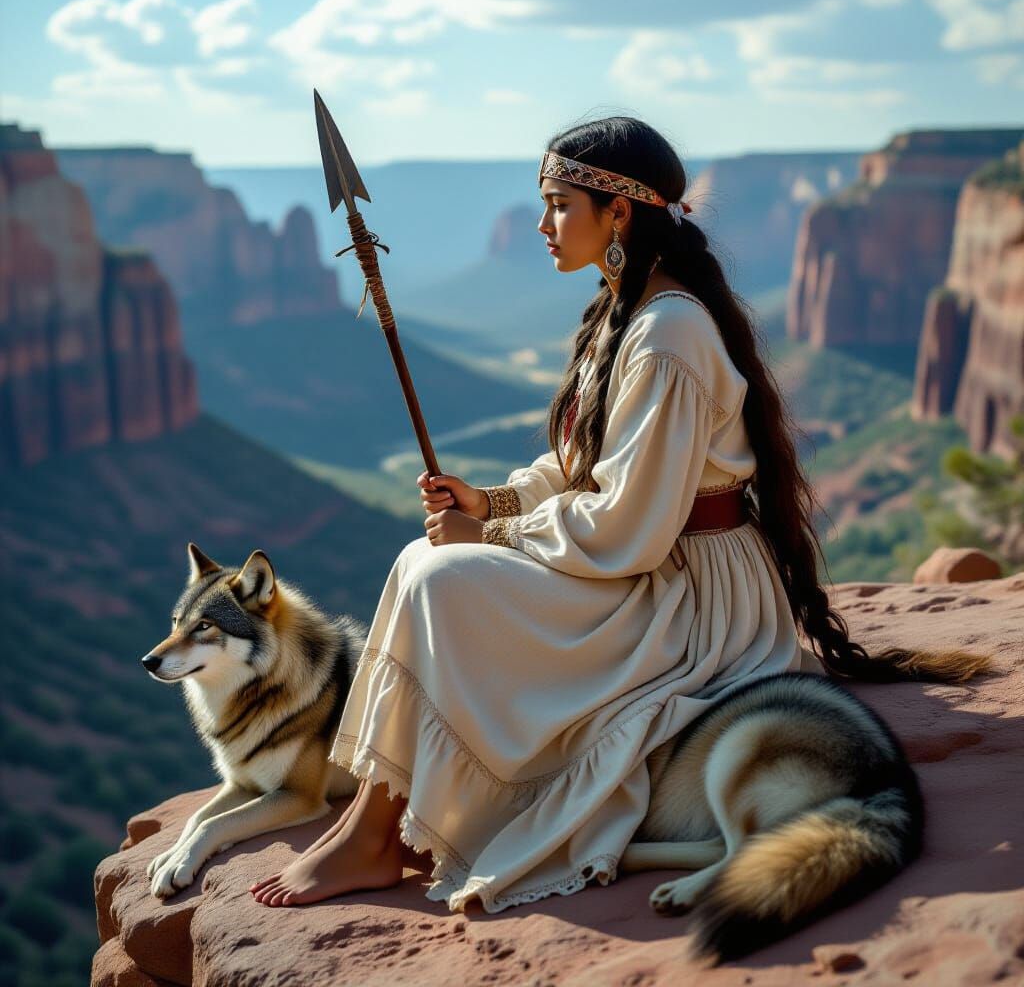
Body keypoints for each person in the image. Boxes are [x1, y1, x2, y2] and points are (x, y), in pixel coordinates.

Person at [246, 116, 891, 912]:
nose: (544, 226)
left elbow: (628, 528)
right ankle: (374, 827)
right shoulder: (625, 312)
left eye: (557, 205)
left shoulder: (667, 335)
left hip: (685, 593)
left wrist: (491, 533)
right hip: (646, 562)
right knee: (422, 563)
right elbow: (586, 465)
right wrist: (494, 500)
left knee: (443, 582)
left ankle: (371, 837)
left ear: (618, 213)